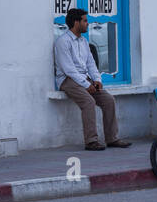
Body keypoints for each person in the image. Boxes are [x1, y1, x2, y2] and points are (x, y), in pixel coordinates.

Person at [54, 8, 131, 151]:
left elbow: (90, 63)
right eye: (85, 21)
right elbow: (68, 69)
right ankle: (91, 141)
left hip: (84, 79)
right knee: (88, 101)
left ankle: (112, 138)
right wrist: (85, 84)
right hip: (67, 80)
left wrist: (96, 79)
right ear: (76, 22)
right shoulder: (63, 42)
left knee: (108, 100)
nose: (87, 24)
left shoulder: (83, 41)